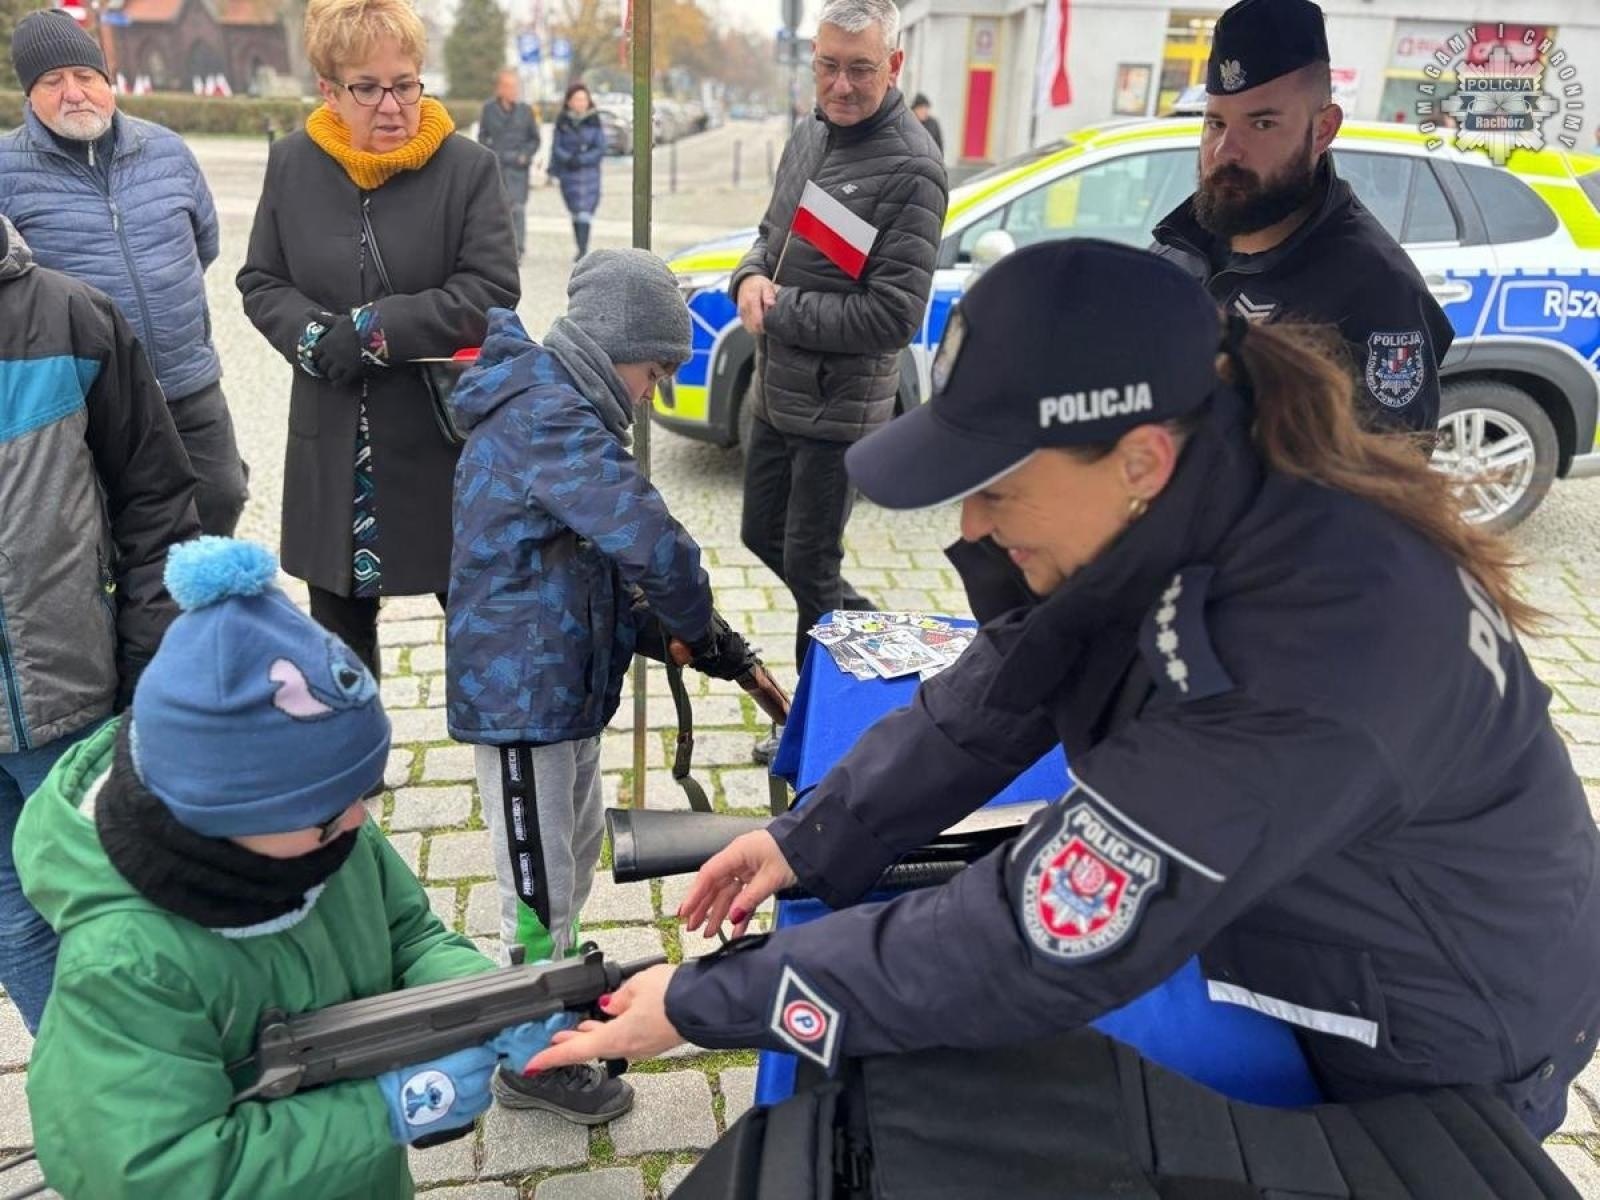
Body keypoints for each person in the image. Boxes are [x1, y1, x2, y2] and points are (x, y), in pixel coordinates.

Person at [527, 239, 1600, 1141]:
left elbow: (1033, 939)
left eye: (995, 489)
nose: (971, 529)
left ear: (1136, 457)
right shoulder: (1208, 481)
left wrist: (711, 1001)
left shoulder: (1308, 647)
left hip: (1446, 1024)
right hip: (1331, 924)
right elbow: (1018, 671)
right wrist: (814, 833)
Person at [17, 537, 568, 1198]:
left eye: (358, 795)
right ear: (226, 820)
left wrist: (488, 1004)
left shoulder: (323, 831)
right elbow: (151, 1172)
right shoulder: (126, 965)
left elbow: (410, 937)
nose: (360, 823)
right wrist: (385, 1110)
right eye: (329, 813)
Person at [446, 248, 761, 1122]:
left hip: (563, 688)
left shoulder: (563, 413)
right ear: (616, 344)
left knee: (569, 856)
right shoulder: (548, 417)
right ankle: (529, 1060)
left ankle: (551, 1000)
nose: (654, 392)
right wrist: (696, 624)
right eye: (655, 370)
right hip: (521, 700)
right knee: (537, 887)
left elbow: (591, 568)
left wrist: (668, 637)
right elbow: (655, 547)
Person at [238, 0, 519, 681]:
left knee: (484, 633)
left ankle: (508, 770)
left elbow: (488, 294)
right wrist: (314, 338)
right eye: (367, 87)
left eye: (406, 83)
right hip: (334, 445)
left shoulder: (466, 168)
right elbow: (261, 280)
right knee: (338, 644)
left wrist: (369, 331)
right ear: (330, 91)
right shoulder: (293, 165)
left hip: (441, 442)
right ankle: (353, 769)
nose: (392, 106)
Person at [0, 213, 199, 1034]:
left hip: (74, 700)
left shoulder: (73, 316)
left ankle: (170, 1092)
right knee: (16, 923)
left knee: (124, 912)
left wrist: (146, 653)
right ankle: (95, 1101)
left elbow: (156, 497)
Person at [734, 0, 946, 763]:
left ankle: (813, 733)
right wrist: (749, 278)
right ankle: (882, 647)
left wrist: (781, 308)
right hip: (777, 393)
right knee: (764, 536)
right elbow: (767, 239)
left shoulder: (913, 168)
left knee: (809, 566)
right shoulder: (808, 133)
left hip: (839, 413)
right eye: (829, 64)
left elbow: (891, 316)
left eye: (860, 67)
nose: (842, 83)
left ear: (894, 66)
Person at [0, 9, 249, 536]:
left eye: (86, 76)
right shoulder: (6, 170)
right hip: (85, 396)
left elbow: (204, 244)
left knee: (221, 497)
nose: (74, 92)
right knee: (115, 530)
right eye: (52, 81)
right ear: (29, 95)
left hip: (187, 381)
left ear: (107, 81)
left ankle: (197, 614)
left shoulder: (167, 150)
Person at [1151, 0, 1452, 434]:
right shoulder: (1178, 247)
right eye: (1216, 124)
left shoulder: (1377, 291)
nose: (1225, 151)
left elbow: (1386, 484)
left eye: (1262, 124)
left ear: (1324, 129)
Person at [479, 67, 541, 262]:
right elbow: (482, 136)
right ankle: (500, 250)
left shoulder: (525, 110)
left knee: (518, 209)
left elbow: (534, 139)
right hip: (497, 167)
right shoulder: (489, 109)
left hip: (518, 169)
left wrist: (525, 155)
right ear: (499, 89)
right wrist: (489, 155)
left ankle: (519, 249)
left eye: (515, 86)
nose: (513, 90)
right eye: (508, 86)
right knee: (498, 210)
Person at [548, 81, 606, 262]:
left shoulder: (594, 121)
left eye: (583, 99)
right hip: (569, 175)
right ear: (569, 102)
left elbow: (600, 147)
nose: (580, 103)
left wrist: (583, 159)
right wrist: (568, 159)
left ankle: (583, 248)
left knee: (585, 212)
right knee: (575, 212)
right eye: (576, 99)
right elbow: (556, 147)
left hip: (589, 174)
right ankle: (580, 246)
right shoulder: (562, 121)